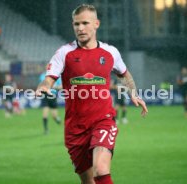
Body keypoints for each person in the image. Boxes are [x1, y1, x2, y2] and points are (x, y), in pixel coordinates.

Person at [36, 4, 148, 184]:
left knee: (101, 169)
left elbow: (124, 74)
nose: (80, 28)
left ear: (96, 24)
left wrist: (133, 92)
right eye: (76, 24)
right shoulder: (64, 53)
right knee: (89, 182)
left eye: (85, 23)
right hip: (75, 128)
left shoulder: (110, 52)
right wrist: (44, 86)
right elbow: (49, 78)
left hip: (103, 120)